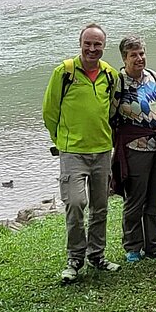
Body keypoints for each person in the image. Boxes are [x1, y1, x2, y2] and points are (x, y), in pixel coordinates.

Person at [43, 23, 120, 283]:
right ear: (80, 44)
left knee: (101, 207)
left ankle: (96, 255)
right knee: (75, 203)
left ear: (103, 46)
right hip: (72, 153)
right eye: (88, 43)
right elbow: (49, 112)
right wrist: (62, 141)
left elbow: (112, 110)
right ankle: (75, 258)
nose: (92, 48)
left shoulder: (110, 75)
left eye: (97, 44)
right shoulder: (64, 72)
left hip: (101, 151)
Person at [111, 35, 156, 263]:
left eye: (141, 53)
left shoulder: (153, 77)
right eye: (133, 55)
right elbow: (111, 116)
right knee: (135, 198)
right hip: (135, 148)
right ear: (124, 58)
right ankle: (133, 246)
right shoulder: (119, 83)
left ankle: (154, 245)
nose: (139, 58)